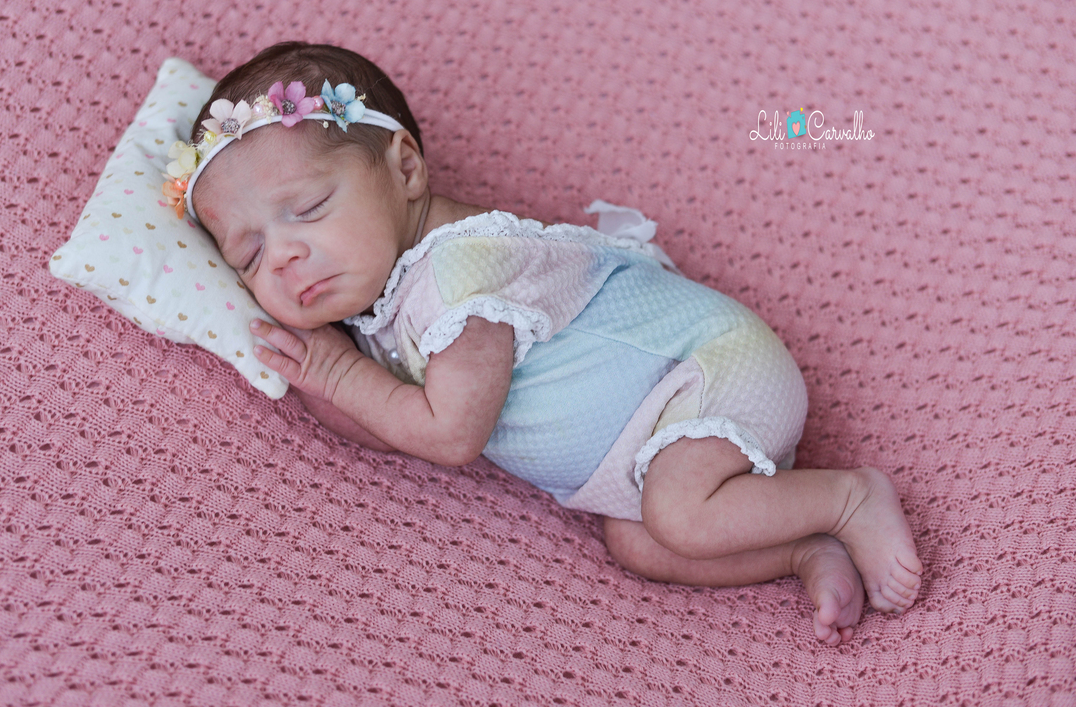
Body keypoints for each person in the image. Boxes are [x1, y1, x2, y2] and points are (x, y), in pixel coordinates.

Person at [162, 41, 923, 645]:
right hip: (650, 445)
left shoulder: (463, 271)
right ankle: (800, 544)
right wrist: (330, 378)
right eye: (249, 257)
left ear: (405, 170)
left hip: (703, 371)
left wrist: (333, 370)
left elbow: (448, 433)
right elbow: (382, 426)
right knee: (641, 545)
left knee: (679, 516)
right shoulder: (385, 302)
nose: (285, 256)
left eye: (309, 206)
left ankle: (849, 494)